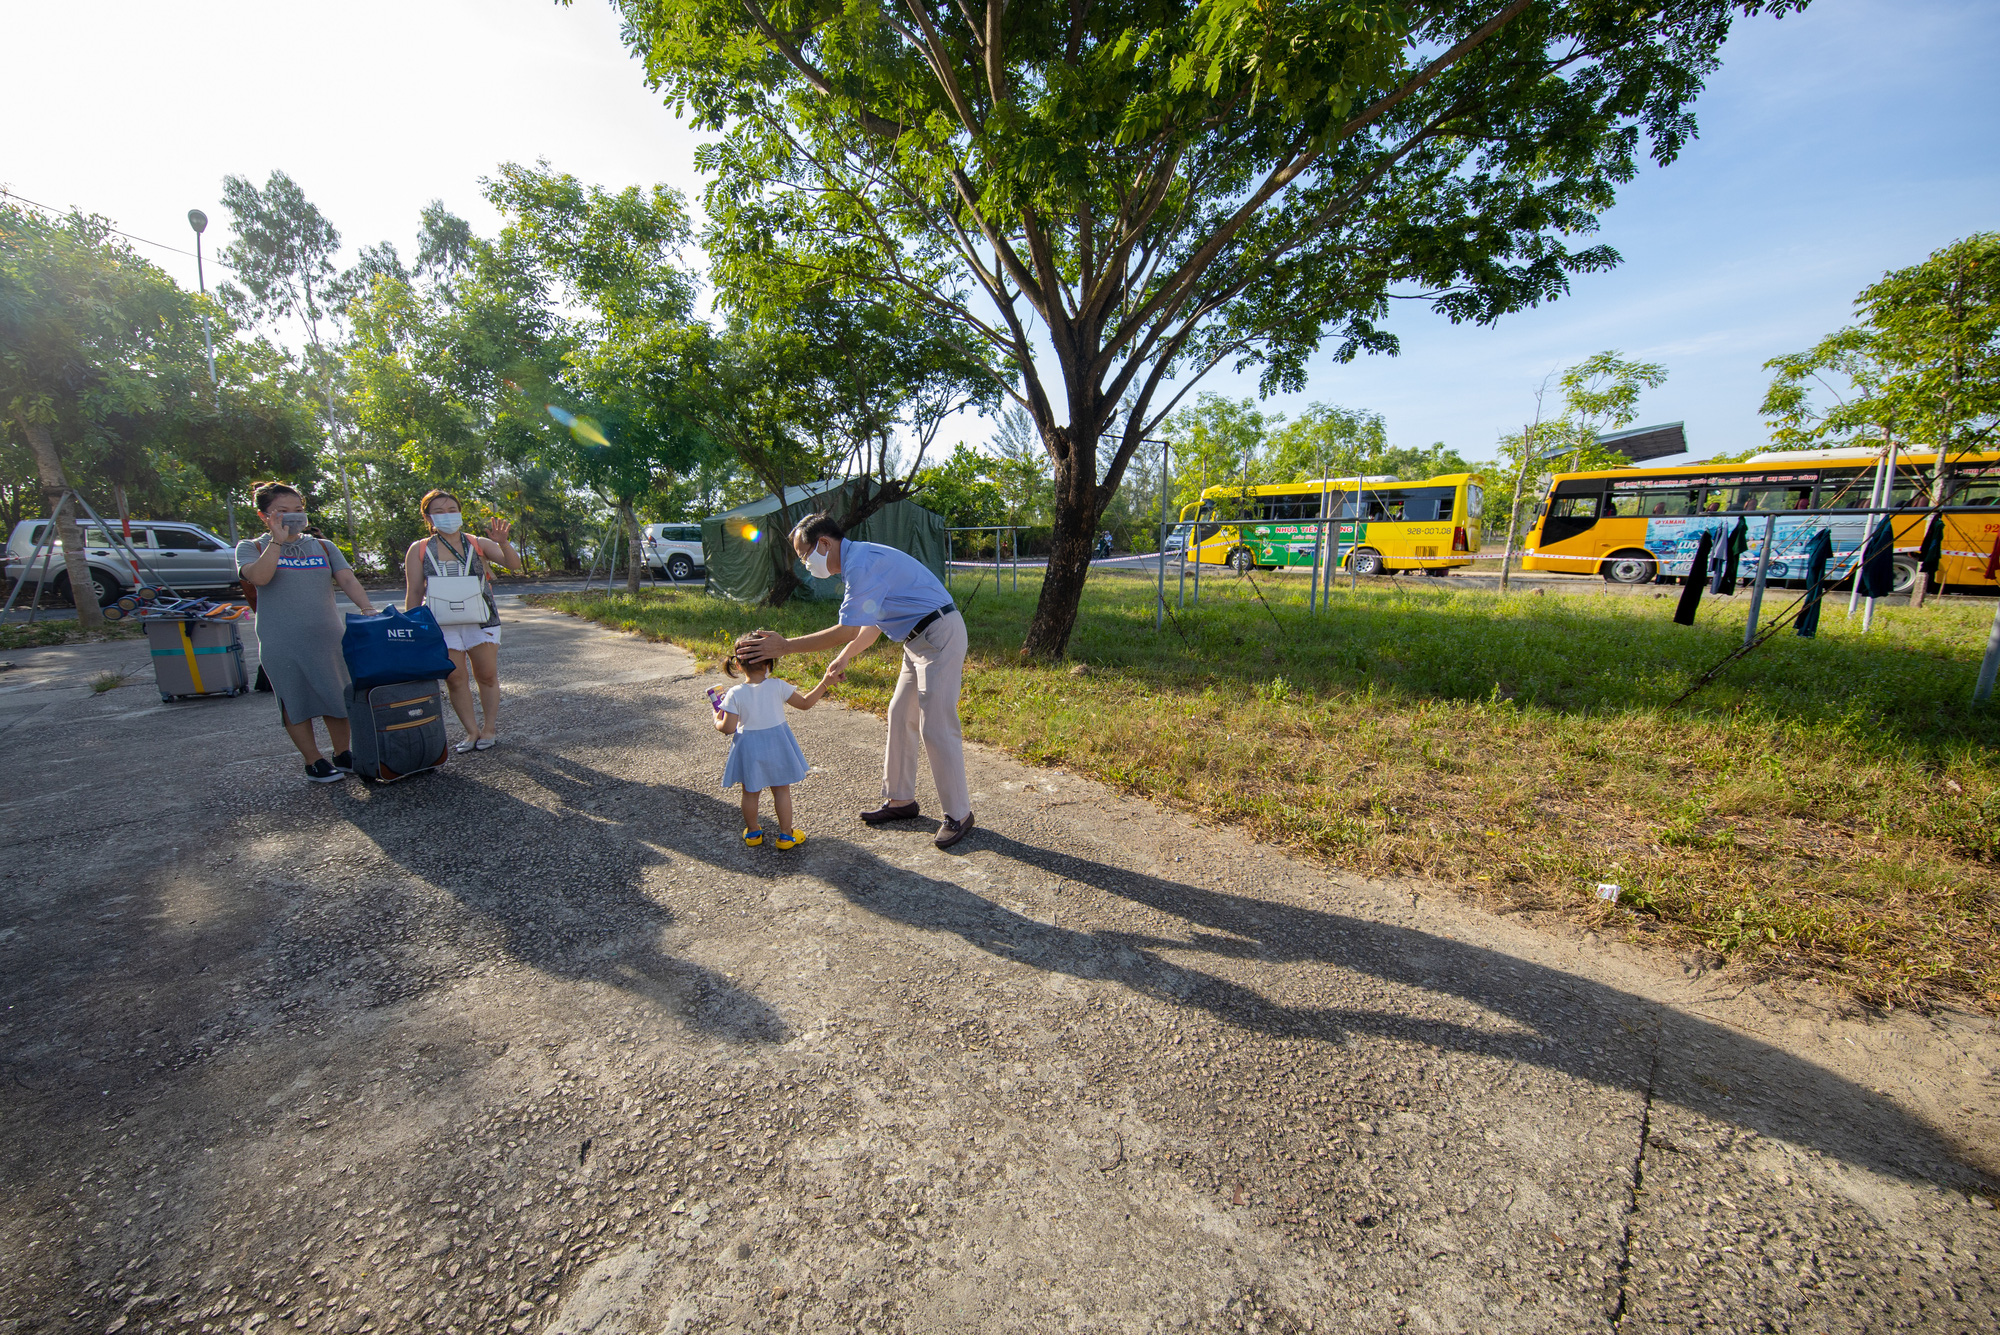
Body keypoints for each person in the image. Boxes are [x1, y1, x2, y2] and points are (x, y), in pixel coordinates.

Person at [733, 511, 975, 849]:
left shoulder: (860, 563)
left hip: (939, 635)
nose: (804, 563)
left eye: (804, 554)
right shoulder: (858, 562)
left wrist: (785, 646)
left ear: (825, 543)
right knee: (898, 714)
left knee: (935, 724)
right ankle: (901, 801)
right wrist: (845, 656)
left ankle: (959, 814)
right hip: (916, 639)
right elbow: (870, 624)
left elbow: (846, 628)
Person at [236, 481, 379, 783]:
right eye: (282, 512)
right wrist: (277, 541)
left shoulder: (323, 546)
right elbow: (260, 578)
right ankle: (313, 760)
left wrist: (367, 608)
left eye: (298, 511)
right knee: (295, 700)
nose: (293, 517)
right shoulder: (253, 548)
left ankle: (342, 753)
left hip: (327, 638)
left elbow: (347, 580)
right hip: (282, 642)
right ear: (264, 516)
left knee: (337, 698)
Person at [403, 490, 520, 752]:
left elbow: (514, 565)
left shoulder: (476, 543)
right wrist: (414, 629)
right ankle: (471, 731)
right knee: (455, 678)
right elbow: (414, 592)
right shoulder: (419, 549)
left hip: (481, 619)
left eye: (452, 509)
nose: (447, 515)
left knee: (487, 675)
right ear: (428, 517)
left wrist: (503, 543)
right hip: (440, 623)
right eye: (440, 511)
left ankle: (489, 728)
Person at [712, 646, 833, 848]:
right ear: (769, 664)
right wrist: (825, 682)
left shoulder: (734, 693)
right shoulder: (778, 685)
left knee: (750, 792)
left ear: (739, 665)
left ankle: (753, 834)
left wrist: (717, 720)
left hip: (749, 748)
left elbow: (728, 728)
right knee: (781, 791)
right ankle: (786, 835)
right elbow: (805, 703)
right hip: (777, 745)